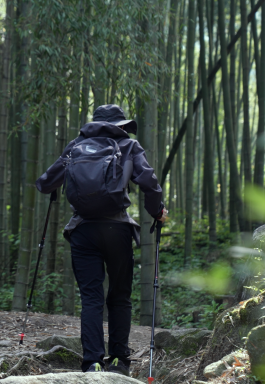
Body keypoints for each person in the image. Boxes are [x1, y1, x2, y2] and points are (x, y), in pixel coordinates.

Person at [35, 104, 168, 376]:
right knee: (119, 297)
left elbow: (46, 183)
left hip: (83, 230)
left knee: (91, 298)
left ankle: (93, 362)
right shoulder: (128, 145)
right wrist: (157, 212)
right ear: (120, 125)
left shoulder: (76, 145)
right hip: (117, 229)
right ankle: (119, 361)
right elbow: (149, 182)